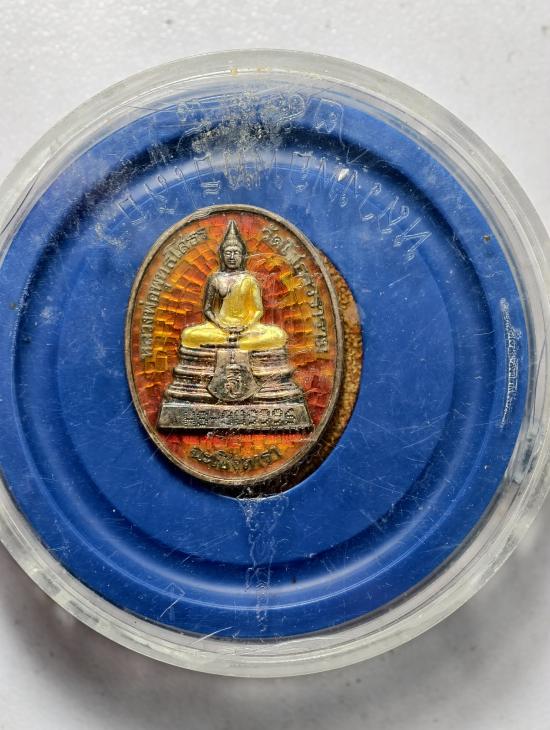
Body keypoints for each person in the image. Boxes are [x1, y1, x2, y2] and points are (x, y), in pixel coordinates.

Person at [180, 220, 287, 352]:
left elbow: (258, 310)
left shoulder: (249, 280)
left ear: (242, 256)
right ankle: (235, 344)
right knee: (188, 334)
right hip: (219, 329)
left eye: (236, 253)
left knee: (278, 335)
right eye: (228, 253)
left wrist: (246, 326)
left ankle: (232, 344)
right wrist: (220, 324)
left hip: (247, 329)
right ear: (222, 255)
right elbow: (207, 310)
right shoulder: (215, 279)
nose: (231, 257)